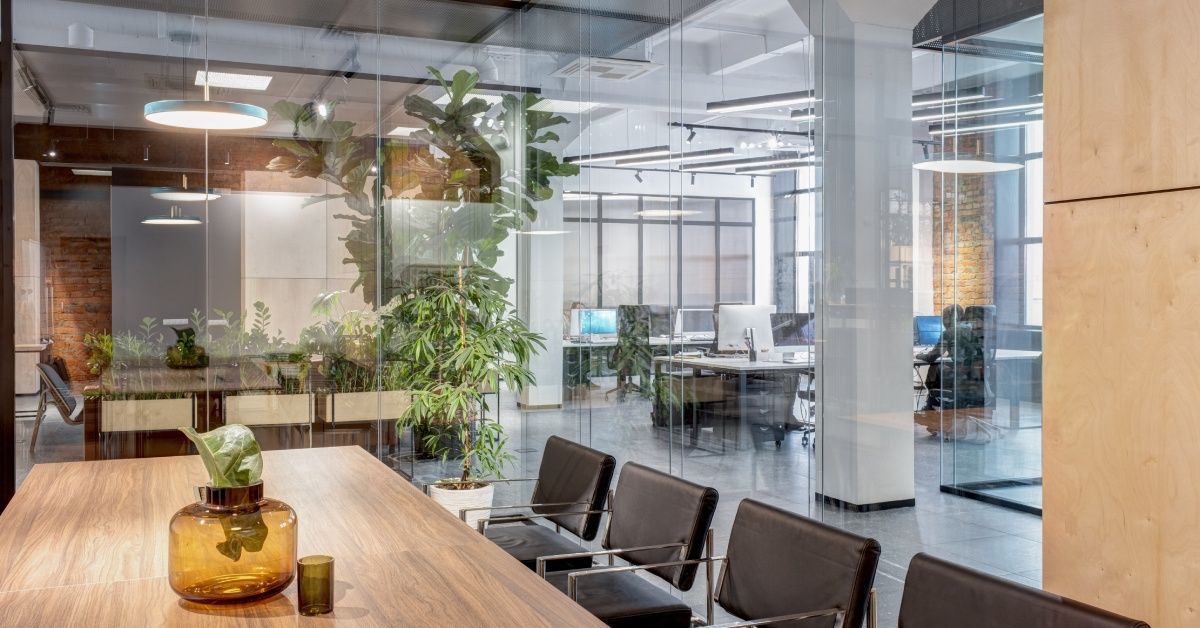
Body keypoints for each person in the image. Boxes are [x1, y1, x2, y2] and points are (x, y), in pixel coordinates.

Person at [917, 304, 964, 411]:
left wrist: (918, 355)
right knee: (939, 365)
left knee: (935, 365)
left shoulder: (949, 333)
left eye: (945, 318)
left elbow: (931, 357)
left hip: (957, 373)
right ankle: (933, 399)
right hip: (971, 375)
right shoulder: (971, 331)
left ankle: (931, 401)